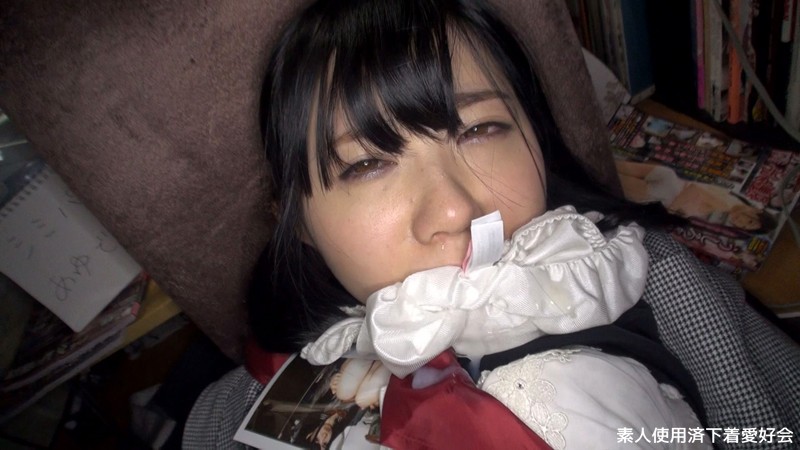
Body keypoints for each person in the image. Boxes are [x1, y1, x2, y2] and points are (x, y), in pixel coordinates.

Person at [183, 0, 800, 449]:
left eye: (479, 130)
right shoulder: (238, 408)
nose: (455, 209)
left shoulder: (658, 281)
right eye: (367, 164)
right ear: (296, 221)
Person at [615, 159, 777, 234]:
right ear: (756, 211)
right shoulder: (725, 205)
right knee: (609, 175)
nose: (740, 223)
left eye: (744, 227)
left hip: (670, 179)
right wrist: (670, 214)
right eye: (749, 221)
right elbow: (694, 190)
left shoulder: (732, 198)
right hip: (665, 195)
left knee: (613, 165)